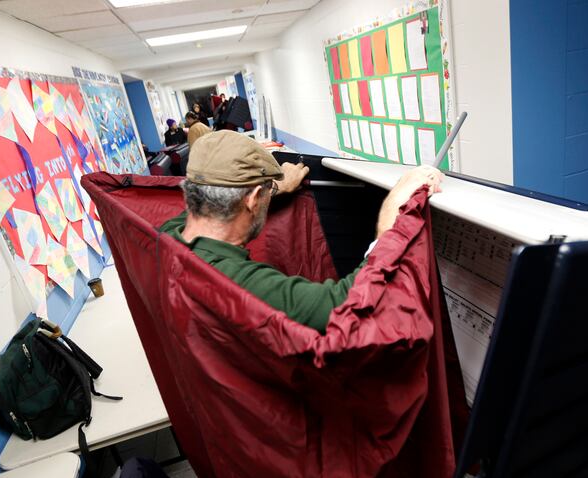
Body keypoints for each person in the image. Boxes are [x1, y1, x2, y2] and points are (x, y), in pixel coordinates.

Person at [160, 131, 443, 333]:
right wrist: (391, 216)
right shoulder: (233, 283)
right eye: (266, 193)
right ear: (253, 199)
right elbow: (346, 304)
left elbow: (206, 208)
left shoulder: (167, 235)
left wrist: (274, 188)